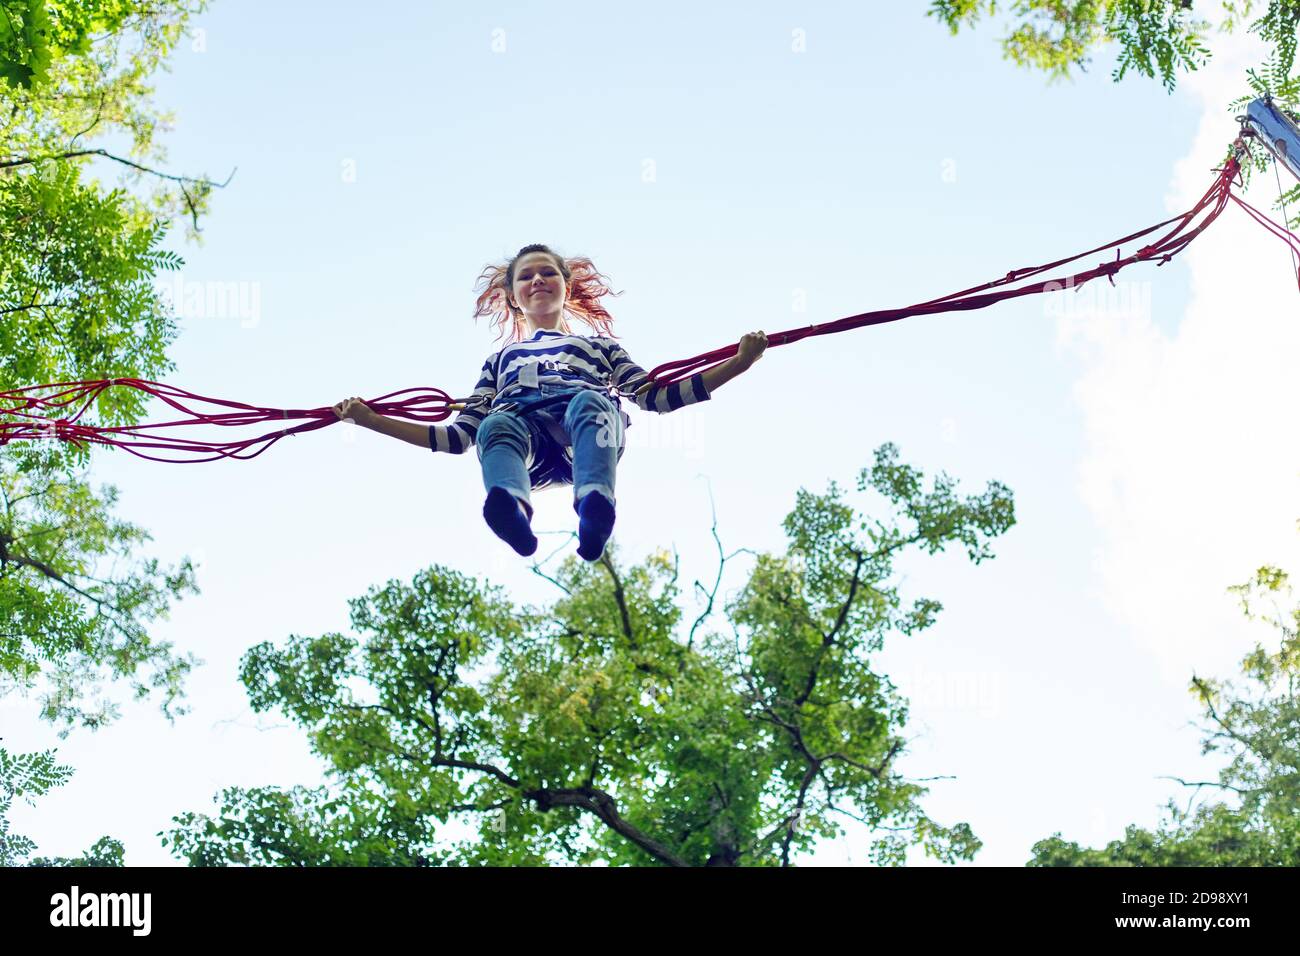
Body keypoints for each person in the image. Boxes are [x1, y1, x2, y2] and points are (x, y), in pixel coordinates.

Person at [332, 243, 767, 561]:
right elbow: (458, 437)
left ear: (565, 285)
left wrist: (738, 364)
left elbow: (656, 397)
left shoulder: (601, 348)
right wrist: (372, 420)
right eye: (525, 276)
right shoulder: (500, 360)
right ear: (512, 295)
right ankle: (512, 508)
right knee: (492, 427)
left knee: (591, 403)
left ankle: (595, 503)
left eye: (547, 273)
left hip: (587, 438)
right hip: (531, 452)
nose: (537, 279)